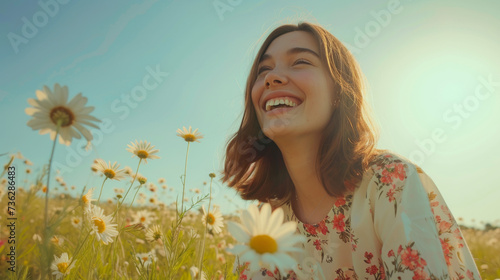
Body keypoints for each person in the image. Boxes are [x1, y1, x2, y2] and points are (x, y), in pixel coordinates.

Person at [222, 22, 481, 279]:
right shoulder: (264, 222)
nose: (271, 77)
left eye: (300, 62)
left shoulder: (389, 182)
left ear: (340, 90)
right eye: (263, 69)